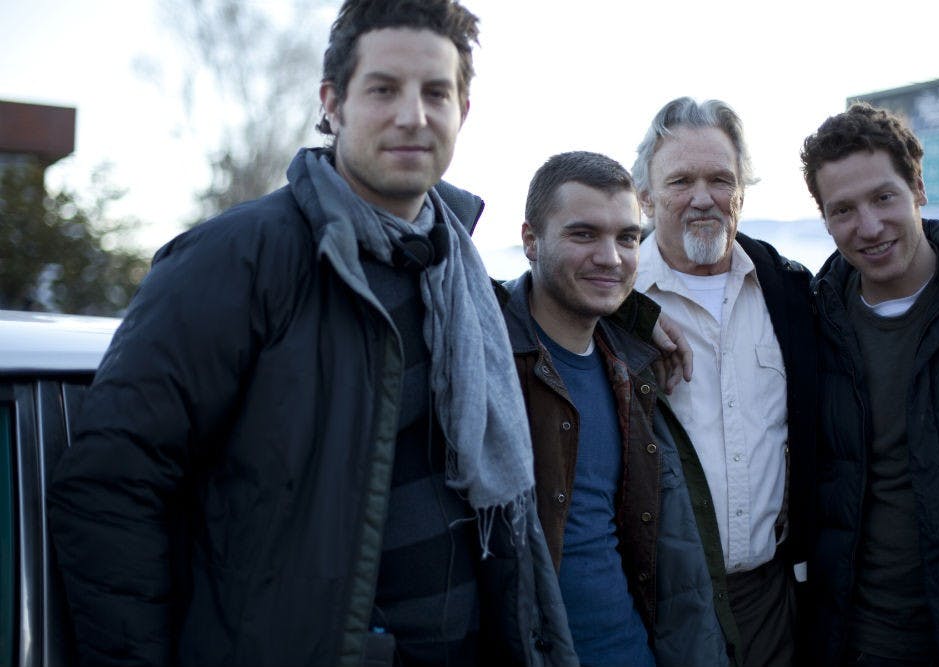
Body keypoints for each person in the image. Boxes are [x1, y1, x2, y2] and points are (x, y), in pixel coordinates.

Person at [46, 2, 578, 666]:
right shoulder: (238, 258)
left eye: (436, 92)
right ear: (333, 104)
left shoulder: (463, 280)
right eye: (383, 89)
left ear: (462, 111)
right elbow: (109, 486)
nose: (413, 115)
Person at [629, 97, 939, 667]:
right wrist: (630, 316)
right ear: (647, 198)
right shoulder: (610, 304)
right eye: (680, 180)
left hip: (789, 604)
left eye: (720, 179)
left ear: (742, 192)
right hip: (664, 608)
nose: (703, 197)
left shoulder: (791, 294)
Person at [498, 151, 739, 666]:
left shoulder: (631, 370)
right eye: (583, 234)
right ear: (529, 241)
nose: (611, 257)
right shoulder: (486, 351)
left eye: (627, 237)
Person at [801, 103, 939, 667]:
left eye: (883, 197)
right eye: (843, 209)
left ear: (918, 187)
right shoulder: (814, 321)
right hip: (860, 634)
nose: (867, 227)